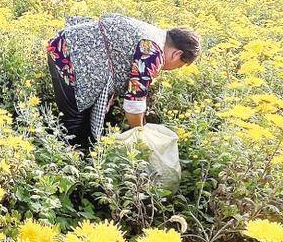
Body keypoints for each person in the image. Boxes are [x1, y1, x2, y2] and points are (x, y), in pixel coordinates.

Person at [46, 14, 200, 152]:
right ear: (177, 54)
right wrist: (140, 136)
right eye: (178, 66)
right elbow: (134, 102)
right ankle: (70, 161)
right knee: (75, 118)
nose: (170, 70)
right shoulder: (153, 51)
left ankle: (83, 152)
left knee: (85, 116)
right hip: (68, 55)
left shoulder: (154, 34)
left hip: (72, 48)